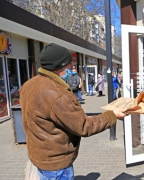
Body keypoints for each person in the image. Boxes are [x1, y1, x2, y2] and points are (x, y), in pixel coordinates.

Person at [19, 43, 127, 180]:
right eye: (69, 64)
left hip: (40, 156)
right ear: (59, 68)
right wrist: (112, 115)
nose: (72, 67)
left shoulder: (29, 84)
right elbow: (84, 126)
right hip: (56, 163)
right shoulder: (57, 95)